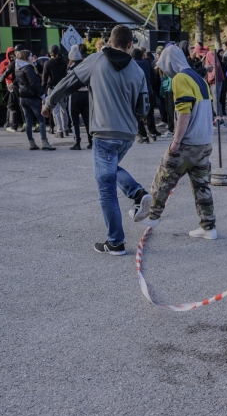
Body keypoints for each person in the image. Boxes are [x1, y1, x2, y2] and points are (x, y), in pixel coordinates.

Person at [42, 25, 152, 256]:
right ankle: (137, 193)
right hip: (127, 135)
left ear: (109, 42)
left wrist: (49, 103)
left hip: (103, 133)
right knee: (110, 169)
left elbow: (69, 82)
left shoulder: (95, 60)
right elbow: (143, 109)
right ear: (131, 44)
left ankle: (116, 243)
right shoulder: (137, 71)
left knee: (107, 190)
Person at [132, 45, 217, 241]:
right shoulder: (199, 79)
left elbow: (184, 112)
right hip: (204, 142)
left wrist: (176, 141)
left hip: (188, 142)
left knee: (164, 176)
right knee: (201, 186)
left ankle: (152, 216)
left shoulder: (180, 78)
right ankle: (208, 227)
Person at [14, 50, 55, 151]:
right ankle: (45, 142)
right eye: (31, 56)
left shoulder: (18, 68)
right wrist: (42, 94)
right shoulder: (28, 68)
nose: (33, 57)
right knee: (41, 119)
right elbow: (34, 83)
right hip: (32, 97)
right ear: (25, 57)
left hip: (22, 98)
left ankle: (32, 143)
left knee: (28, 120)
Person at [131, 47, 161, 143]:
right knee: (149, 113)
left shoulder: (132, 64)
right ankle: (153, 132)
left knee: (137, 113)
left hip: (136, 91)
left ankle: (143, 135)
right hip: (148, 90)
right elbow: (154, 76)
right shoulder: (147, 63)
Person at [66, 45, 91, 150]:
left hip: (74, 94)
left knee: (74, 120)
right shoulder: (85, 66)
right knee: (87, 119)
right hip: (86, 94)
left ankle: (77, 143)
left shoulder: (70, 68)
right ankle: (91, 141)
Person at [42, 44, 69, 138]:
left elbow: (44, 79)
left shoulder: (47, 63)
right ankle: (66, 129)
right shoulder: (64, 62)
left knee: (55, 110)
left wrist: (42, 91)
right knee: (64, 109)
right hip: (63, 88)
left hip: (52, 89)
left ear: (51, 53)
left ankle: (59, 130)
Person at [0, 46, 23, 131]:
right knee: (10, 104)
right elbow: (1, 73)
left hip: (15, 84)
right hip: (8, 83)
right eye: (10, 54)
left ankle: (14, 123)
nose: (12, 55)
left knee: (13, 104)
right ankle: (9, 122)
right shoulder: (4, 63)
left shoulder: (17, 63)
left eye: (13, 53)